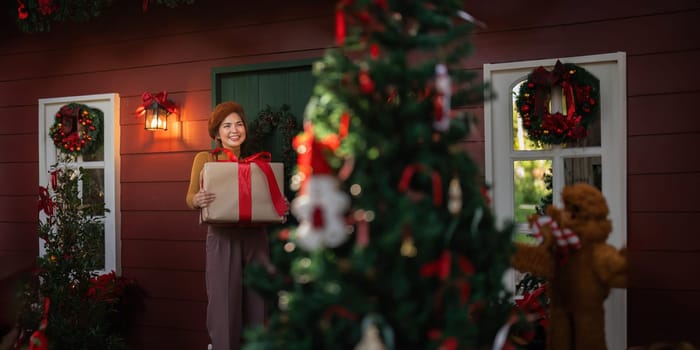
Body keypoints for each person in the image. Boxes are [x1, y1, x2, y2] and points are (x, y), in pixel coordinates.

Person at [186, 101, 269, 350]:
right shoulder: (205, 158)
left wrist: (279, 204)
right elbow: (190, 197)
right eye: (227, 125)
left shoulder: (256, 163)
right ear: (217, 132)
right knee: (224, 305)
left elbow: (265, 201)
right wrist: (197, 200)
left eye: (239, 124)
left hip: (256, 237)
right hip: (223, 237)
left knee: (259, 301)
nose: (234, 130)